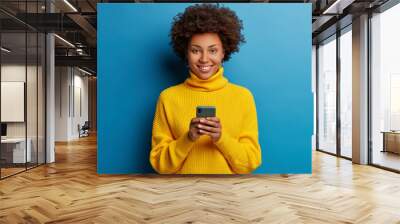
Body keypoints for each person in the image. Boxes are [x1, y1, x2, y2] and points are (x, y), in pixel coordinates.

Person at [149, 4, 262, 174]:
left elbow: (250, 163)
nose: (204, 59)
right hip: (180, 194)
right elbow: (160, 165)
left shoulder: (243, 97)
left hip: (228, 195)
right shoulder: (168, 97)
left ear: (224, 52)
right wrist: (188, 138)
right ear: (186, 53)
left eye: (213, 50)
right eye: (195, 50)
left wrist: (220, 138)